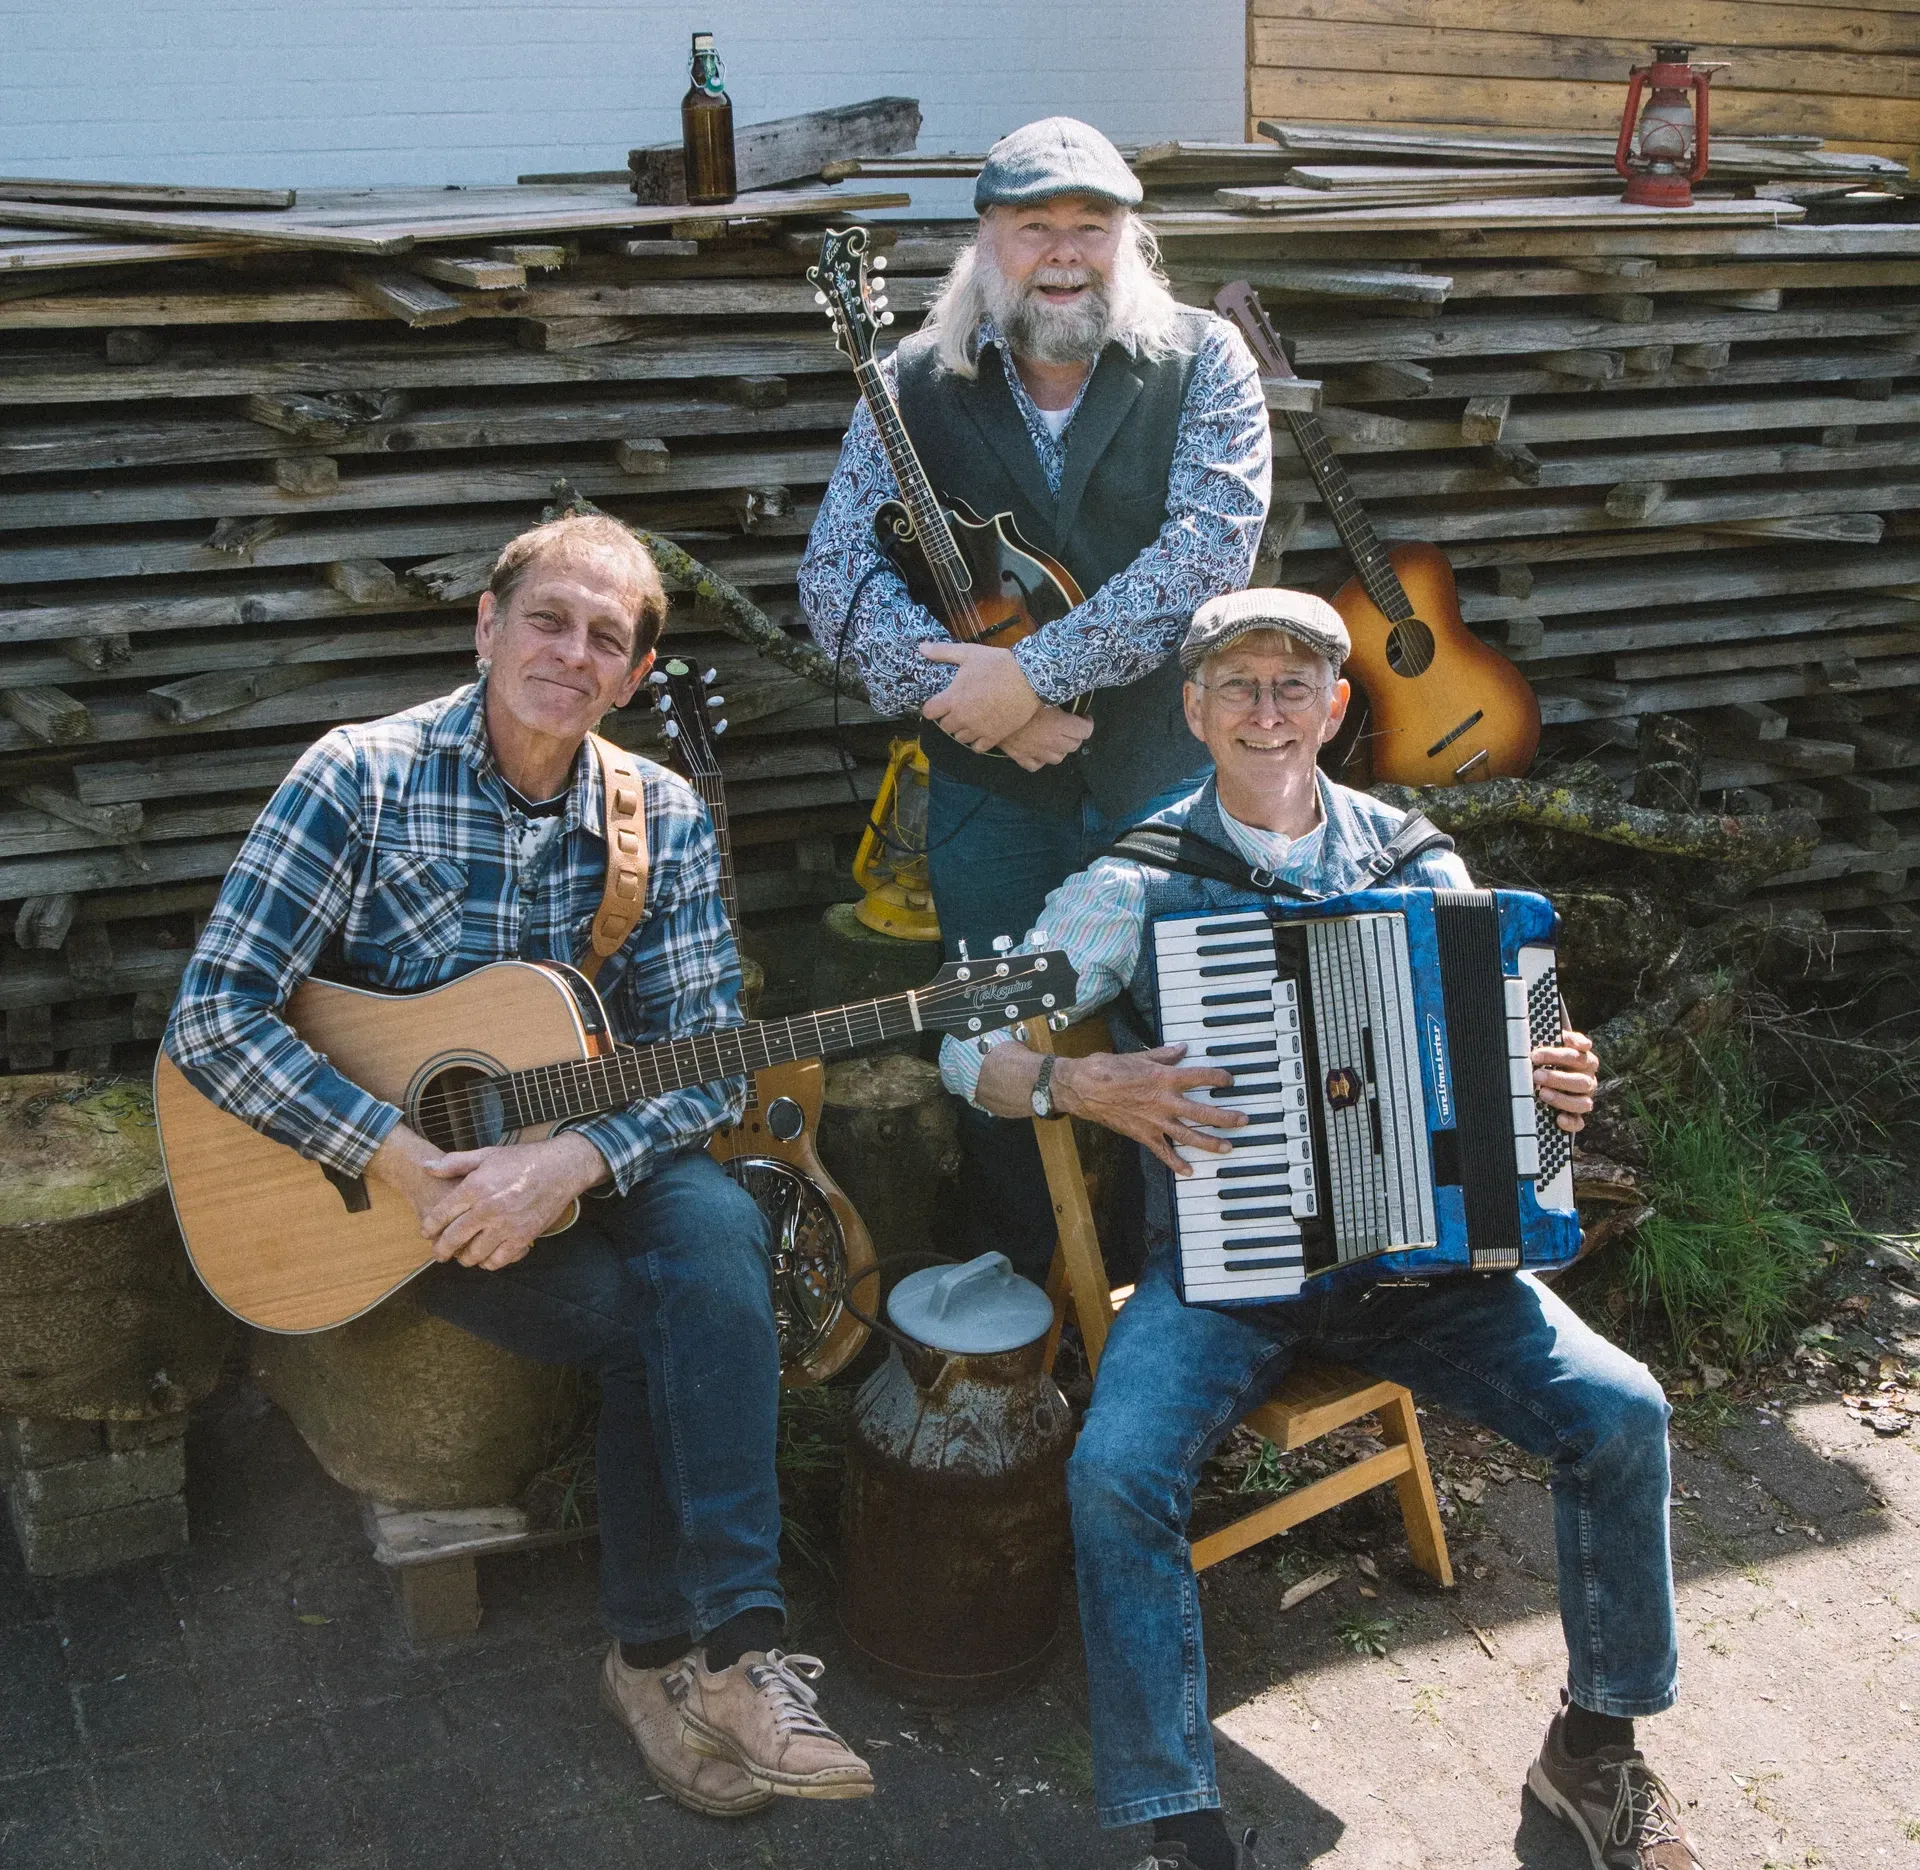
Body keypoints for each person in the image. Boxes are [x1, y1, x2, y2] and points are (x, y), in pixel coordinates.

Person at [938, 588, 1703, 1870]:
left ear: (1336, 707)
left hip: (1424, 1276)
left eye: (1293, 684)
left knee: (1624, 1412)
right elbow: (966, 1041)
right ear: (1193, 710)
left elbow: (1507, 1063)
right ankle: (1177, 1826)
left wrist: (1552, 1084)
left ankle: (1594, 1756)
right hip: (1225, 1280)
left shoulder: (1418, 863)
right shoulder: (1138, 880)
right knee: (1115, 1468)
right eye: (1236, 685)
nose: (1266, 710)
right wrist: (1076, 1082)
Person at [164, 514, 872, 1818]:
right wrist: (397, 1153)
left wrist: (573, 1162)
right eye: (548, 617)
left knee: (717, 1228)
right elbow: (214, 1015)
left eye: (607, 637)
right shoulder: (359, 778)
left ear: (635, 676)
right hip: (390, 1196)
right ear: (487, 626)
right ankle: (655, 1660)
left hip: (580, 1160)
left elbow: (708, 1061)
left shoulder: (657, 817)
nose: (572, 651)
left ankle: (729, 1656)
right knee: (657, 1321)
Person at [800, 115, 1272, 1282]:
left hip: (1165, 785)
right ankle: (1019, 1296)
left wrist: (1030, 676)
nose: (1064, 253)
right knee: (995, 1051)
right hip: (990, 804)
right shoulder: (911, 383)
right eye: (1034, 227)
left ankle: (1199, 1291)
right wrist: (971, 697)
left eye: (1090, 227)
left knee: (1193, 1035)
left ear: (1129, 241)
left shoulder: (1206, 361)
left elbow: (1206, 558)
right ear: (985, 244)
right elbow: (835, 580)